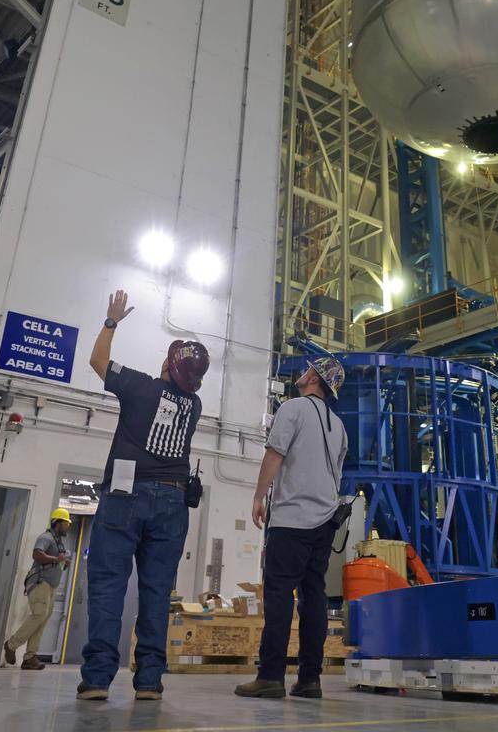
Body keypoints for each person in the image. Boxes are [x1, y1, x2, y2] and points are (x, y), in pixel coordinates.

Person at [76, 289, 210, 702]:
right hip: (172, 502)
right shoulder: (196, 404)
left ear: (168, 366)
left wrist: (112, 320)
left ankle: (98, 679)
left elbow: (98, 362)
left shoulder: (139, 387)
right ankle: (149, 681)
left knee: (108, 585)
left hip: (125, 495)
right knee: (155, 591)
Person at [235, 357, 349, 700]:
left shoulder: (293, 408)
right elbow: (337, 475)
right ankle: (309, 679)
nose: (302, 372)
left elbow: (275, 454)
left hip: (291, 520)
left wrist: (259, 497)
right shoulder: (339, 425)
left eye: (307, 369)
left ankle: (270, 676)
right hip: (325, 522)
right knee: (314, 597)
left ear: (314, 377)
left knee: (279, 595)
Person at [2, 506, 73, 669]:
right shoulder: (46, 537)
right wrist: (56, 559)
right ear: (58, 523)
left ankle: (30, 657)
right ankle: (11, 645)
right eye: (66, 523)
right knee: (39, 614)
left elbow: (57, 563)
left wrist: (63, 563)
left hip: (51, 585)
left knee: (43, 619)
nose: (68, 526)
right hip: (40, 582)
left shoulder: (59, 542)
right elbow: (37, 554)